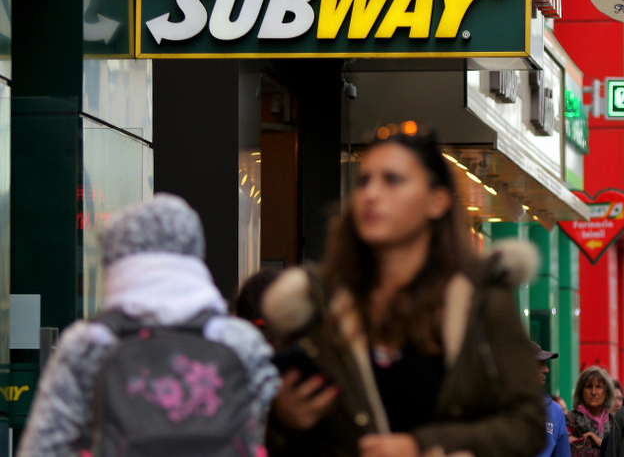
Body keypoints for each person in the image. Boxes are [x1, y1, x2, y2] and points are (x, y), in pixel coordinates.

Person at [261, 128, 546, 457]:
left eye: (392, 180)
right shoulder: (323, 302)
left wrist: (421, 446)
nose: (371, 194)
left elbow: (527, 426)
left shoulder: (479, 298)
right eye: (365, 180)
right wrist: (285, 420)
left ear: (436, 201)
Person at [16, 194, 280, 457]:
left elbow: (44, 447)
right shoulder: (239, 341)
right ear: (194, 253)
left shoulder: (89, 343)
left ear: (116, 259)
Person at [566, 366, 615, 457]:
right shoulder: (569, 419)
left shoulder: (616, 420)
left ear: (607, 392)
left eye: (598, 387)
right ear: (581, 391)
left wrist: (600, 442)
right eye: (589, 387)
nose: (593, 392)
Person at [533, 342, 571, 457]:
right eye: (538, 364)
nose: (546, 369)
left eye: (544, 364)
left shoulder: (555, 411)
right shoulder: (498, 407)